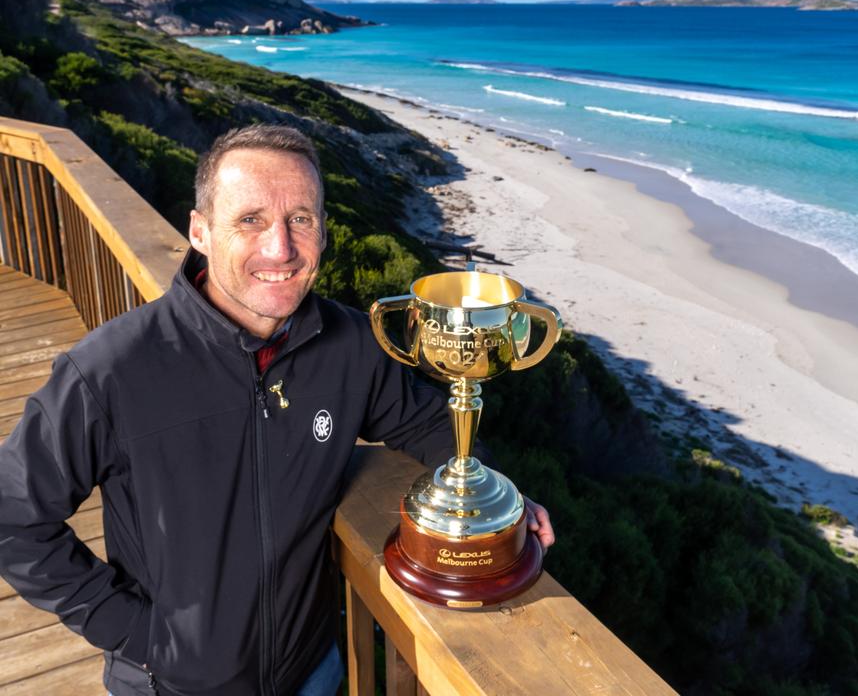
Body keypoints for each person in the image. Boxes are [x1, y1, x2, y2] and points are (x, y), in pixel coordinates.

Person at [0, 125, 554, 696]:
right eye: (250, 220)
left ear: (322, 230)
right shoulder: (111, 370)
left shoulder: (352, 343)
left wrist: (487, 498)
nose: (280, 248)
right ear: (200, 231)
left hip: (312, 671)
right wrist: (142, 637)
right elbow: (12, 519)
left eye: (301, 219)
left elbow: (431, 421)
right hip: (170, 685)